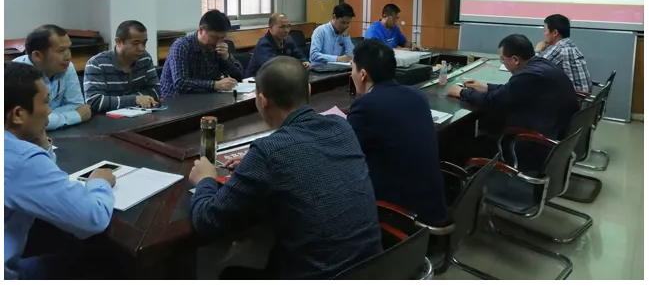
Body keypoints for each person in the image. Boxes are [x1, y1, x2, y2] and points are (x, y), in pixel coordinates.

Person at [189, 56, 382, 279]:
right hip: (377, 269)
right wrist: (256, 166)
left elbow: (208, 220)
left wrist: (205, 179)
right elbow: (307, 160)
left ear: (262, 100)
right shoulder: (341, 126)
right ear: (308, 90)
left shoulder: (268, 152)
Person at [4, 62, 115, 280]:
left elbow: (40, 180)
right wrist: (98, 183)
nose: (50, 110)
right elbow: (92, 219)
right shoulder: (21, 160)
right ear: (18, 114)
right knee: (99, 261)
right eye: (46, 102)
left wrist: (42, 144)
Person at [347, 39, 448, 226]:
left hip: (403, 215)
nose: (351, 73)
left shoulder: (367, 105)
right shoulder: (417, 95)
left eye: (352, 67)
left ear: (362, 74)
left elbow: (346, 153)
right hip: (434, 206)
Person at [447, 34, 579, 166]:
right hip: (555, 135)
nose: (503, 63)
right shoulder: (540, 64)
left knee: (462, 145)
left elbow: (493, 101)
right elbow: (512, 91)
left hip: (535, 145)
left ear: (515, 59)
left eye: (503, 60)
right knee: (491, 124)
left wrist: (461, 92)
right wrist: (487, 87)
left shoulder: (528, 75)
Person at [12, 25, 91, 130]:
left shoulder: (67, 66)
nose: (68, 56)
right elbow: (29, 121)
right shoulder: (16, 74)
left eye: (69, 49)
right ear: (37, 56)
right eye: (61, 50)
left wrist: (47, 117)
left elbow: (77, 105)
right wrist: (75, 116)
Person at [160, 10, 243, 97]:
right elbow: (181, 83)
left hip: (206, 98)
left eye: (222, 38)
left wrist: (226, 57)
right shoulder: (181, 46)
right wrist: (215, 85)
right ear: (200, 30)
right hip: (176, 100)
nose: (218, 42)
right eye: (214, 37)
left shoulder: (218, 48)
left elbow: (239, 76)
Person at [84, 20, 160, 113]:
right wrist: (134, 99)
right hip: (107, 120)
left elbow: (156, 90)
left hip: (140, 116)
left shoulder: (145, 58)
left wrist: (138, 99)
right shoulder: (97, 64)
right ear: (118, 42)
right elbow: (94, 102)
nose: (141, 48)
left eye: (144, 43)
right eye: (135, 43)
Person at [535, 14, 592, 94]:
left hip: (576, 97)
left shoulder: (561, 49)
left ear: (555, 33)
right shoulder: (569, 45)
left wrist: (537, 50)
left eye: (545, 31)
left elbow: (535, 68)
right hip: (584, 96)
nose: (544, 34)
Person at [244, 13, 311, 78]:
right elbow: (274, 68)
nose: (286, 30)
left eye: (288, 26)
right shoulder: (263, 45)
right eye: (282, 27)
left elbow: (298, 55)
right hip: (256, 81)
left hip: (279, 77)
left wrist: (304, 62)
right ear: (270, 28)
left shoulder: (288, 39)